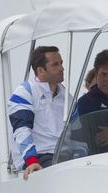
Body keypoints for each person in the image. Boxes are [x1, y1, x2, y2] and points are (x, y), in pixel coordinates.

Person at [8, 46, 65, 180]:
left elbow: (77, 131)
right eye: (55, 65)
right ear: (40, 70)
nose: (62, 68)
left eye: (61, 63)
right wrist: (31, 160)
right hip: (39, 156)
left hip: (64, 155)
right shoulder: (24, 92)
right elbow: (21, 129)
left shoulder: (66, 95)